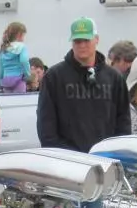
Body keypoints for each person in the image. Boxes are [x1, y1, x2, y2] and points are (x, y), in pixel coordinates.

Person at [36, 17, 131, 153]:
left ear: (96, 39)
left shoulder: (114, 78)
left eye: (86, 40)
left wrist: (117, 152)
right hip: (67, 159)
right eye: (77, 41)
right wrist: (60, 155)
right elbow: (46, 124)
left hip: (106, 157)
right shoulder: (54, 77)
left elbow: (123, 122)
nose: (82, 45)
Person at [0, 22, 31, 93]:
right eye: (23, 36)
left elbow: (1, 68)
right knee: (20, 99)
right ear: (19, 34)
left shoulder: (3, 48)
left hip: (6, 81)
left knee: (7, 100)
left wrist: (0, 81)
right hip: (19, 80)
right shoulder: (22, 46)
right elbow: (24, 61)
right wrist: (28, 75)